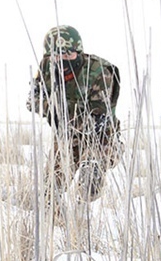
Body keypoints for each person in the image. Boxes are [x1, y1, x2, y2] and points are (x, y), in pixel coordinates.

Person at [27, 25, 121, 202]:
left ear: (79, 52)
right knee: (48, 191)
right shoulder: (46, 67)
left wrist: (61, 112)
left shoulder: (99, 72)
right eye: (57, 55)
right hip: (66, 138)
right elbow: (33, 99)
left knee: (88, 187)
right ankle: (54, 224)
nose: (63, 60)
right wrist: (50, 108)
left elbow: (96, 121)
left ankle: (87, 220)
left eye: (68, 54)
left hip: (100, 139)